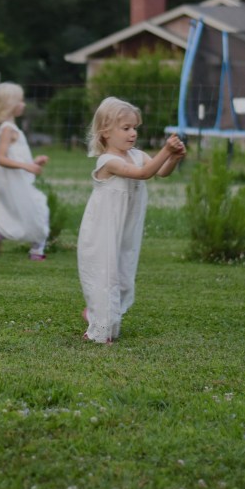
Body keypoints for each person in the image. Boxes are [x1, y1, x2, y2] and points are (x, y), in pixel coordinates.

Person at [77, 96, 186, 344]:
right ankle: (99, 331)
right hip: (103, 229)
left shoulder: (138, 155)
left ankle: (96, 314)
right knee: (105, 275)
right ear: (105, 132)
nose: (133, 133)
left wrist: (174, 158)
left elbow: (160, 171)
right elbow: (144, 174)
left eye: (135, 127)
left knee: (124, 277)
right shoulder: (108, 161)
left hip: (126, 229)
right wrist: (166, 150)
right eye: (126, 128)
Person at [0, 82, 50, 261]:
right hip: (14, 184)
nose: (23, 104)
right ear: (10, 105)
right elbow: (1, 158)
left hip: (13, 181)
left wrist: (34, 162)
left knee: (17, 213)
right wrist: (27, 167)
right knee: (40, 208)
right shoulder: (8, 130)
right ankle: (36, 252)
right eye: (20, 100)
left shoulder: (10, 129)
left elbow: (15, 157)